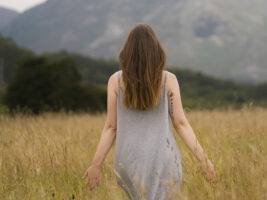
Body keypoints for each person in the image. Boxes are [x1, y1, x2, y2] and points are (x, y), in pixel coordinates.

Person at [83, 23, 217, 199]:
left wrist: (95, 165)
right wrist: (203, 159)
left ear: (127, 51)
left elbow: (111, 127)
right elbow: (180, 123)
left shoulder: (115, 81)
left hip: (127, 163)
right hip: (164, 162)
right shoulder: (169, 80)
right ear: (156, 50)